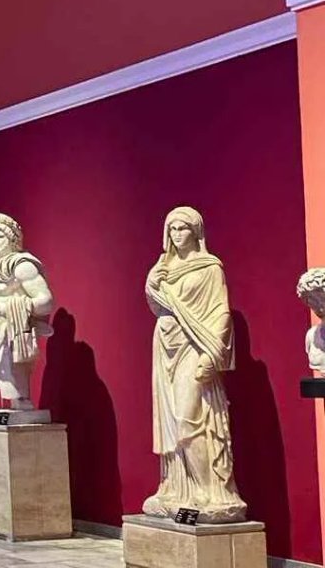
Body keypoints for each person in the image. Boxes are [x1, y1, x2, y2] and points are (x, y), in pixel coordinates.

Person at [143, 206, 246, 523]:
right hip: (165, 347)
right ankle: (178, 490)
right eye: (172, 229)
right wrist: (150, 285)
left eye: (183, 228)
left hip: (195, 345)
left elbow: (221, 312)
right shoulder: (163, 266)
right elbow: (157, 306)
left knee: (188, 418)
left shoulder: (210, 268)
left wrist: (211, 355)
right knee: (170, 421)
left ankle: (208, 491)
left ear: (196, 231)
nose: (177, 234)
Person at [0, 213, 54, 410]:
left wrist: (1, 308)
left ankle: (21, 402)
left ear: (12, 240)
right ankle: (15, 404)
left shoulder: (22, 266)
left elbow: (46, 302)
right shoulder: (0, 270)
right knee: (4, 388)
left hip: (11, 338)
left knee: (18, 395)